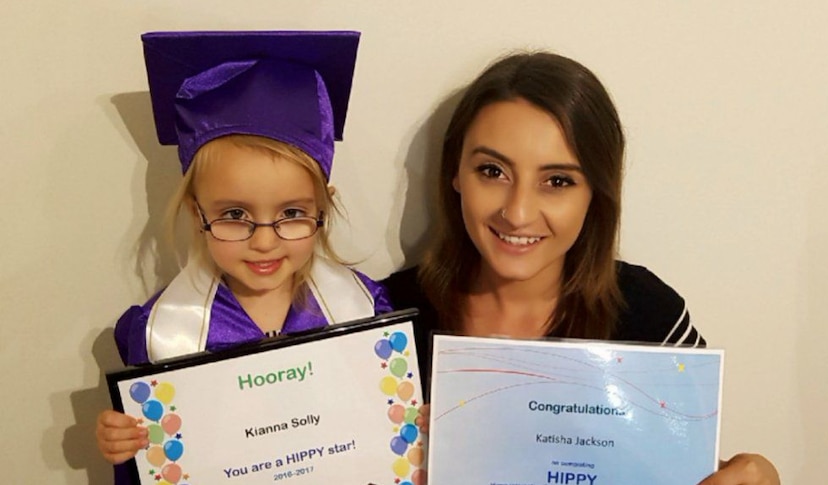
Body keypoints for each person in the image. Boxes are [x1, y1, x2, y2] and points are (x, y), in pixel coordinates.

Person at [384, 52, 779, 485]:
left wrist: (754, 476)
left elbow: (678, 466)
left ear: (596, 192)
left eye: (557, 181)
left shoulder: (649, 315)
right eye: (492, 171)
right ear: (455, 173)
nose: (517, 213)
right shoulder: (387, 318)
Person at [96, 31, 391, 480]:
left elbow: (381, 430)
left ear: (322, 208)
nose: (265, 241)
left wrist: (415, 423)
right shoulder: (164, 331)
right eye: (235, 214)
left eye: (292, 213)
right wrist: (126, 444)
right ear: (198, 213)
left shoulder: (367, 311)